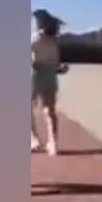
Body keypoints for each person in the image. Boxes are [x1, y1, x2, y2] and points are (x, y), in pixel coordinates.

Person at [31, 9, 63, 155]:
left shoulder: (35, 38)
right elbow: (56, 63)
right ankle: (53, 142)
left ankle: (34, 139)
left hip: (35, 75)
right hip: (50, 76)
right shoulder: (53, 41)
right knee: (50, 110)